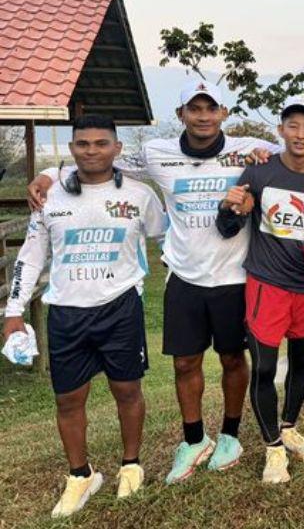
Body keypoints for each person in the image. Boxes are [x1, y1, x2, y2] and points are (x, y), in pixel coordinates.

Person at [27, 80, 304, 483]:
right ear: (181, 115)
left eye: (211, 109)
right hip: (184, 277)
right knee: (185, 362)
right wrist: (51, 171)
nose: (203, 116)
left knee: (231, 359)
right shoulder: (157, 153)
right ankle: (193, 439)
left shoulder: (247, 150)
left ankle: (230, 435)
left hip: (235, 276)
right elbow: (102, 158)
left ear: (224, 113)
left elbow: (300, 149)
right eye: (195, 108)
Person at [3, 115, 166, 517]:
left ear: (116, 148)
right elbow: (32, 254)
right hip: (66, 312)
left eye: (100, 143)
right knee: (68, 398)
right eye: (83, 144)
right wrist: (13, 312)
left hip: (120, 307)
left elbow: (165, 238)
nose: (91, 150)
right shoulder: (50, 195)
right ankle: (81, 474)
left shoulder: (141, 195)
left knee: (126, 390)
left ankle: (131, 465)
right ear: (71, 150)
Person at [216, 94, 304, 484]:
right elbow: (228, 226)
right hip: (266, 285)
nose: (301, 134)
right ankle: (273, 449)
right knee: (266, 368)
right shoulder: (259, 172)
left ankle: (288, 426)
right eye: (293, 125)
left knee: (302, 363)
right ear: (280, 130)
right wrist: (229, 208)